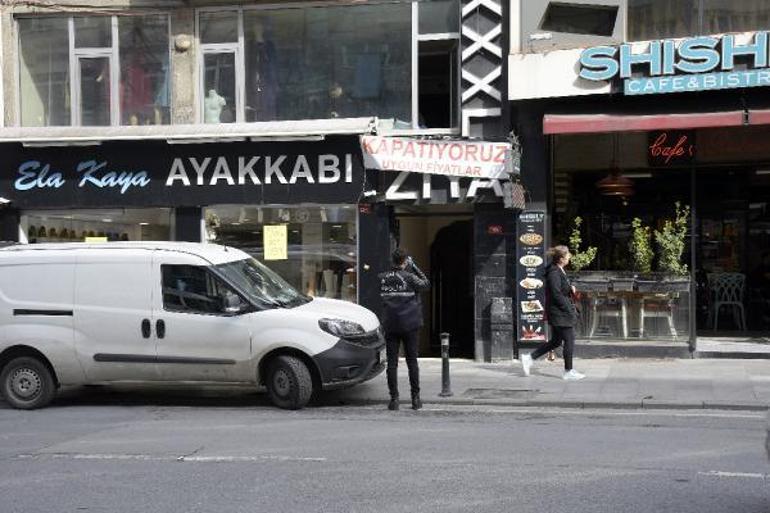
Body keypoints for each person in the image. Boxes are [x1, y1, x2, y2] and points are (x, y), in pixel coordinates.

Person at [521, 245, 585, 381]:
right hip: (560, 312)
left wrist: (570, 289)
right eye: (567, 256)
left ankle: (529, 358)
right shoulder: (554, 272)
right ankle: (568, 371)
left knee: (556, 341)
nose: (569, 258)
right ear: (561, 259)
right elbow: (555, 293)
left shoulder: (559, 270)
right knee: (569, 340)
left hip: (559, 311)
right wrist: (568, 307)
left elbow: (560, 289)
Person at [379, 248, 430, 410]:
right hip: (410, 325)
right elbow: (426, 284)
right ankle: (415, 398)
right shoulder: (410, 278)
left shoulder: (383, 278)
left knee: (392, 364)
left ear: (392, 261)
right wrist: (413, 266)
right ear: (404, 261)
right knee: (412, 362)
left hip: (391, 325)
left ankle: (394, 399)